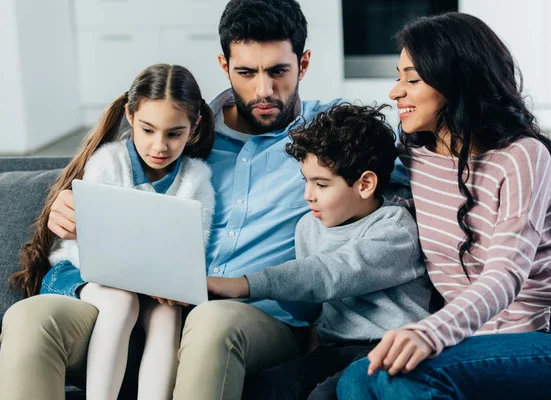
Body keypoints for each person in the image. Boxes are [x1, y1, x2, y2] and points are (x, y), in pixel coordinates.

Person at [0, 1, 410, 399]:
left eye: (279, 71)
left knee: (212, 323)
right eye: (246, 72)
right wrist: (64, 207)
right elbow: (117, 185)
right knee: (29, 318)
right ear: (224, 66)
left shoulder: (328, 140)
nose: (264, 89)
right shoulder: (179, 132)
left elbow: (407, 182)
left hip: (256, 318)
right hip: (142, 308)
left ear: (302, 65)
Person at [336, 12, 551, 400]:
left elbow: (505, 273)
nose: (395, 92)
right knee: (358, 378)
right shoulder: (413, 155)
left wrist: (430, 331)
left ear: (456, 83)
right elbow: (337, 162)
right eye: (398, 76)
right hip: (477, 340)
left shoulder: (522, 156)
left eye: (412, 79)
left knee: (394, 378)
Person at [4, 63, 215, 400]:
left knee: (167, 315)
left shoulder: (197, 180)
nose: (159, 145)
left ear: (194, 127)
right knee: (120, 301)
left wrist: (169, 285)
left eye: (174, 133)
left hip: (153, 286)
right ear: (130, 117)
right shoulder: (107, 162)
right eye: (148, 130)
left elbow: (191, 250)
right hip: (80, 272)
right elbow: (87, 247)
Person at [206, 103, 432, 399]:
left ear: (365, 184)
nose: (308, 195)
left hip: (389, 347)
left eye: (321, 184)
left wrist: (242, 284)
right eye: (306, 181)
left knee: (324, 396)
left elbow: (332, 273)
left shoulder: (395, 228)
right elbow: (309, 301)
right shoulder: (308, 227)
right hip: (333, 348)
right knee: (267, 388)